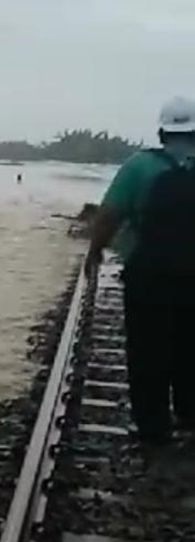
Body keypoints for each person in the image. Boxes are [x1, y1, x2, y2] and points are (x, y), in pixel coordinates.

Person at [86, 96, 195, 448]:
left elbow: (109, 214)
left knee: (148, 351)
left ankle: (153, 427)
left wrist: (95, 250)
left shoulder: (139, 166)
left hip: (148, 277)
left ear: (162, 131)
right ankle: (190, 417)